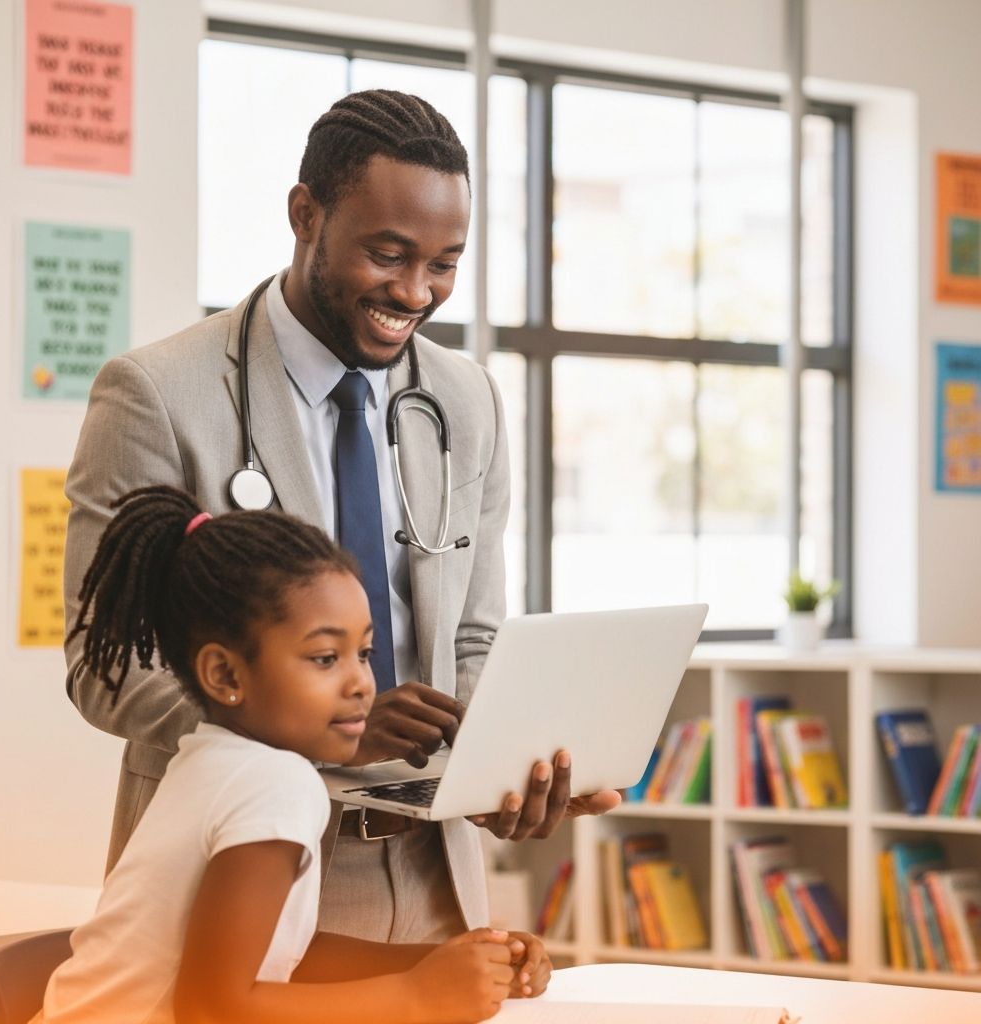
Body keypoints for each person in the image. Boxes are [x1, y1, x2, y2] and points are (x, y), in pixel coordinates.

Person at [63, 88, 619, 943]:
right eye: (388, 254)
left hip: (434, 875)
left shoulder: (467, 401)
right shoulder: (159, 395)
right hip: (235, 863)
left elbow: (473, 637)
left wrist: (500, 770)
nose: (416, 290)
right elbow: (107, 667)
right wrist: (328, 735)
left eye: (444, 263)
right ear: (305, 214)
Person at [38, 485, 549, 1023]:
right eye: (326, 657)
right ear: (225, 674)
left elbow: (285, 955)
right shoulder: (277, 784)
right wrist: (417, 997)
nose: (361, 683)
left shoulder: (216, 758)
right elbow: (213, 1009)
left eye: (365, 652)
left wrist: (446, 963)